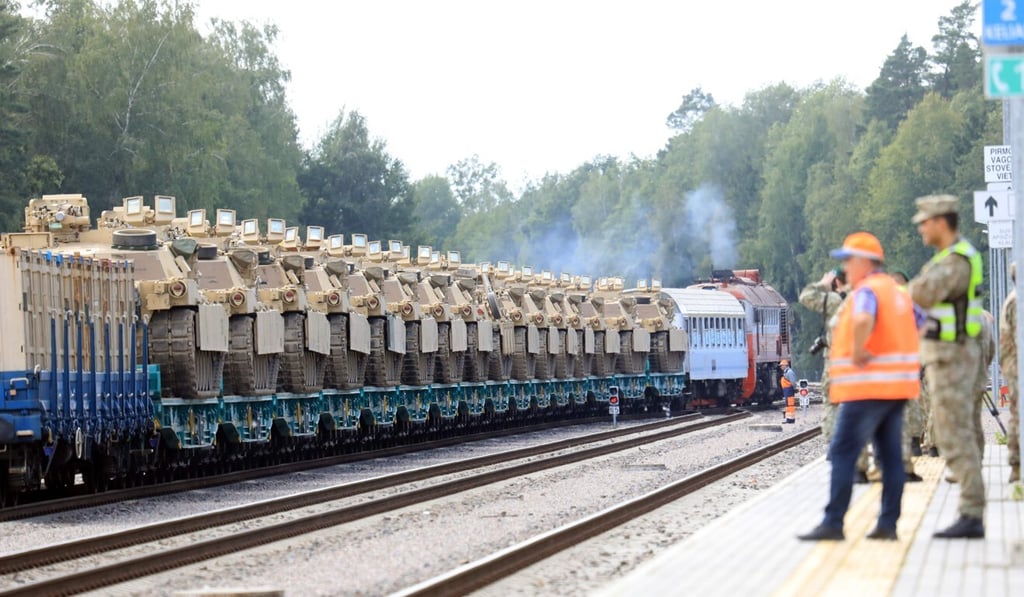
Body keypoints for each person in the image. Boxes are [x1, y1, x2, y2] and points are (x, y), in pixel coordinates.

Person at [798, 232, 920, 542]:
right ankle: (888, 525)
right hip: (896, 389)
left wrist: (859, 350)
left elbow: (864, 318)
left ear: (865, 262)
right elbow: (924, 323)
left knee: (842, 452)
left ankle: (833, 522)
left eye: (848, 260)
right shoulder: (897, 292)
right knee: (891, 457)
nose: (845, 268)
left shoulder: (866, 291)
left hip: (865, 387)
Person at [907, 194, 987, 539]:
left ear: (941, 222)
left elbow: (920, 293)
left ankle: (971, 512)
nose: (921, 229)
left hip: (953, 359)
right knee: (955, 433)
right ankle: (970, 511)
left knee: (954, 436)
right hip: (949, 356)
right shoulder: (951, 258)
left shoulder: (954, 261)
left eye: (924, 222)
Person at [999, 263, 1020, 484]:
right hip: (1017, 367)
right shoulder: (1017, 301)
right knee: (1019, 415)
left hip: (1014, 364)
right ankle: (1017, 464)